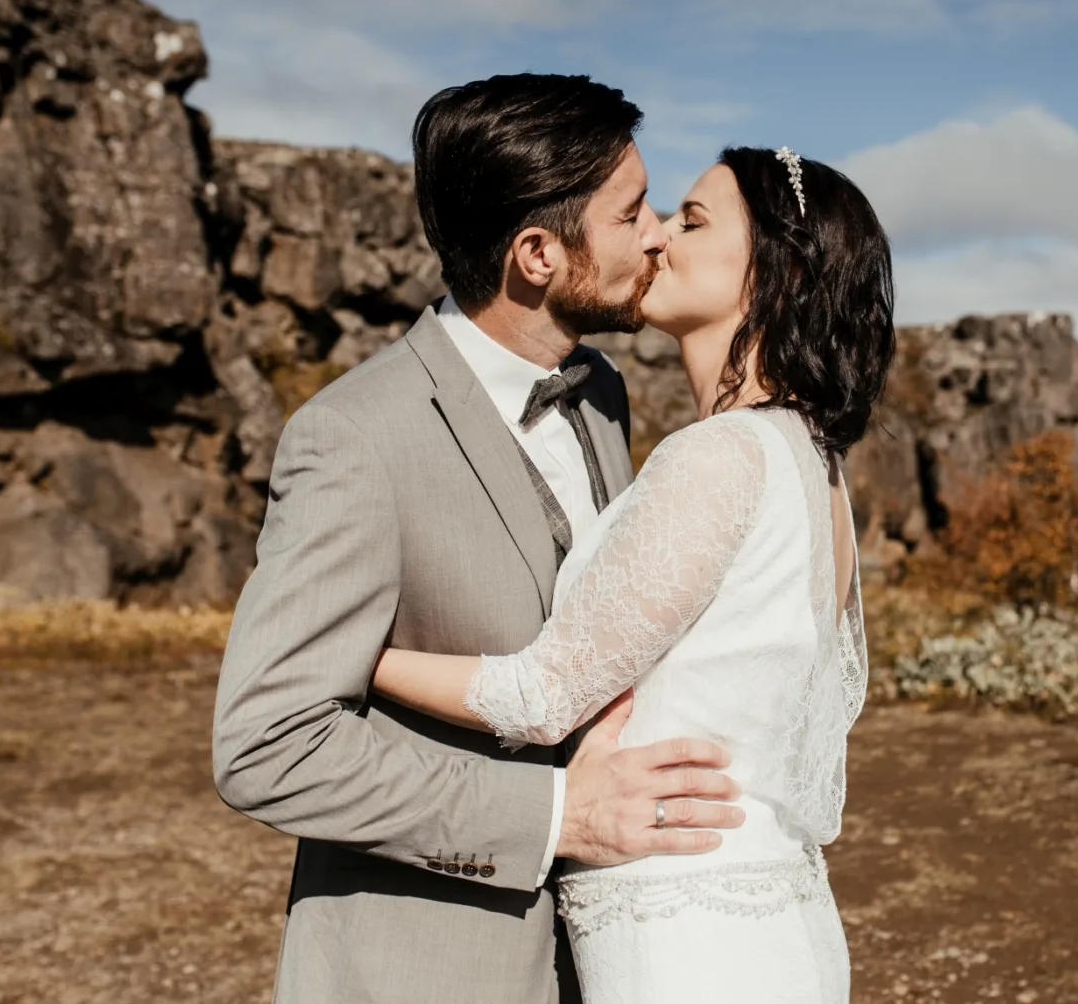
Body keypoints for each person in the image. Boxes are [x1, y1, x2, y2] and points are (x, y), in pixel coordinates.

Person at [213, 74, 745, 1004]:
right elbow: (265, 742)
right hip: (423, 970)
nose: (659, 233)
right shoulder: (354, 439)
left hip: (616, 957)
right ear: (537, 254)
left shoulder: (604, 393)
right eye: (631, 216)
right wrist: (550, 814)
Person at [369, 144, 896, 1003]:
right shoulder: (815, 462)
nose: (655, 237)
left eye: (690, 220)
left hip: (685, 934)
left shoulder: (722, 453)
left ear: (775, 274)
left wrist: (359, 654)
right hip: (772, 910)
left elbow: (542, 697)